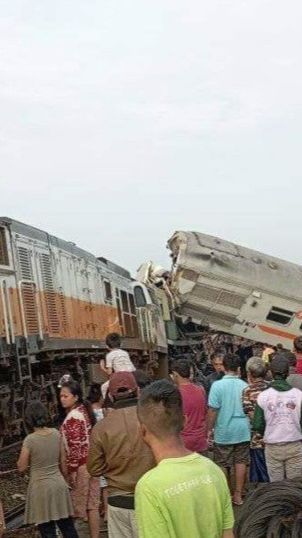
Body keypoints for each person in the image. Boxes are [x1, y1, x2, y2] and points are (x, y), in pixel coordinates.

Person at [135, 380, 234, 538]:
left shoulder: (149, 487)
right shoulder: (213, 470)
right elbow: (228, 534)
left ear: (142, 431)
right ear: (185, 421)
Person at [87, 372, 154, 538]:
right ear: (138, 391)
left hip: (118, 501)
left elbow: (94, 469)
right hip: (150, 497)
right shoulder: (152, 419)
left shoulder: (101, 428)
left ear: (110, 395)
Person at [17, 401, 78, 538]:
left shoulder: (30, 440)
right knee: (68, 527)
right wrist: (67, 480)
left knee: (47, 531)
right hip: (58, 485)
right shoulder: (56, 434)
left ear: (28, 419)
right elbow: (63, 461)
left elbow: (21, 467)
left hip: (40, 489)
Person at [208, 354, 250, 506]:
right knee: (241, 461)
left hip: (224, 429)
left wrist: (209, 429)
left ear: (224, 368)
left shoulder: (217, 386)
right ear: (238, 369)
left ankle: (226, 495)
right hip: (243, 430)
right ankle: (238, 495)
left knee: (222, 463)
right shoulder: (245, 385)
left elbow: (213, 410)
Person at [60, 380, 100, 538]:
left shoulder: (73, 417)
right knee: (93, 506)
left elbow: (75, 446)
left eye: (65, 396)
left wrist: (72, 470)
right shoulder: (84, 411)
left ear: (75, 397)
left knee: (76, 508)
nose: (62, 399)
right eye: (61, 396)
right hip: (92, 463)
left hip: (81, 468)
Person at [253, 355, 302, 482]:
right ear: (288, 373)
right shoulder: (299, 395)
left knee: (276, 486)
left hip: (272, 447)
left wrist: (269, 431)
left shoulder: (263, 396)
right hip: (295, 445)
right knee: (295, 485)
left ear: (271, 372)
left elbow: (257, 424)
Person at [171, 359, 207, 454]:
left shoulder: (175, 394)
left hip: (184, 441)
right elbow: (205, 413)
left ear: (175, 374)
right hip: (200, 438)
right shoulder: (200, 390)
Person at [242, 357, 269, 483]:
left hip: (257, 439)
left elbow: (251, 415)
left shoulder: (247, 391)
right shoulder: (271, 388)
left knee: (260, 474)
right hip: (273, 436)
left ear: (250, 375)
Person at [87, 383, 108, 523]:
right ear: (101, 397)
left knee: (96, 481)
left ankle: (98, 506)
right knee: (105, 483)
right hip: (105, 449)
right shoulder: (107, 412)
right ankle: (106, 510)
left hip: (93, 450)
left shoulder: (87, 414)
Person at [100, 333, 136, 398]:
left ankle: (108, 404)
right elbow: (133, 369)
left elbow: (109, 372)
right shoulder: (125, 353)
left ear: (107, 346)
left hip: (118, 378)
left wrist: (103, 368)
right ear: (120, 344)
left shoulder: (109, 355)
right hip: (130, 376)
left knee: (103, 387)